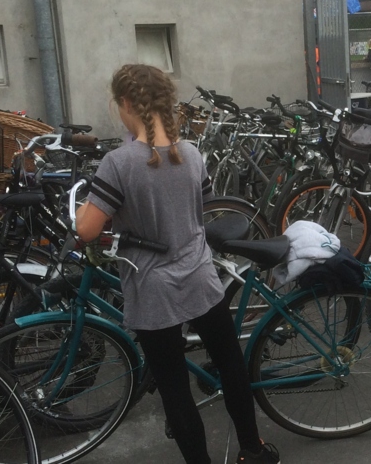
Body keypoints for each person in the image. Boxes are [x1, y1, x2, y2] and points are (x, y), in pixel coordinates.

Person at [75, 64, 281, 464]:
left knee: (175, 389)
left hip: (154, 292)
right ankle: (253, 450)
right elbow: (201, 205)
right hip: (202, 279)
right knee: (230, 365)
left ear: (128, 104)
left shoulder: (118, 164)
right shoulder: (191, 153)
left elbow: (86, 229)